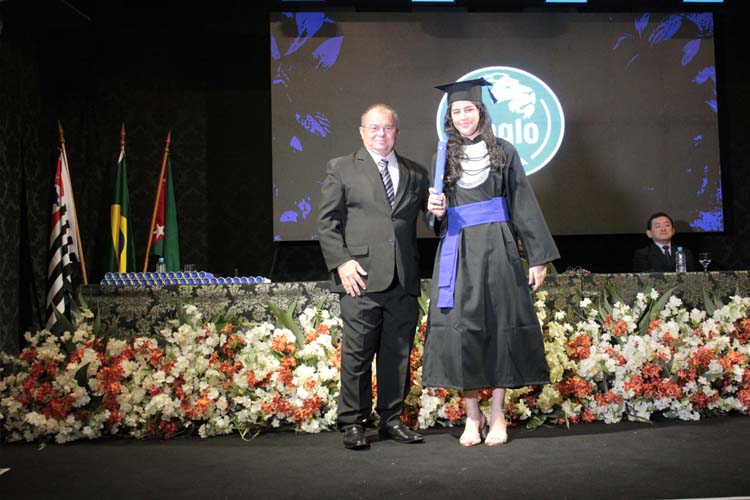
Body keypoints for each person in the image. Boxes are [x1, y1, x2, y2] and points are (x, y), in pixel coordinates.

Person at [423, 79, 559, 447]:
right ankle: (473, 416)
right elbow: (435, 214)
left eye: (468, 109)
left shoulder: (504, 151)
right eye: (456, 111)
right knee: (462, 329)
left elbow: (523, 202)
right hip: (459, 247)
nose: (463, 116)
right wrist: (435, 211)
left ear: (481, 112)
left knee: (501, 326)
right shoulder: (442, 155)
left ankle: (497, 413)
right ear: (450, 117)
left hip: (498, 246)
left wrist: (537, 257)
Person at [317, 104, 430, 450]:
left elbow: (432, 221)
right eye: (374, 128)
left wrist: (439, 213)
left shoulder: (416, 172)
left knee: (398, 354)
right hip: (360, 277)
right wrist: (342, 262)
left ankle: (392, 419)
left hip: (403, 277)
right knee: (357, 354)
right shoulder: (341, 167)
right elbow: (327, 223)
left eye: (388, 128)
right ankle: (353, 422)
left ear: (397, 132)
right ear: (362, 131)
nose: (382, 134)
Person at [632, 212, 698, 272]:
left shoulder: (685, 252)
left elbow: (693, 276)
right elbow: (643, 278)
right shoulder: (642, 254)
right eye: (658, 226)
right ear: (649, 233)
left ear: (673, 231)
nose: (663, 229)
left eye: (667, 225)